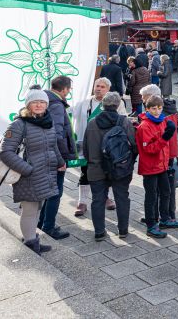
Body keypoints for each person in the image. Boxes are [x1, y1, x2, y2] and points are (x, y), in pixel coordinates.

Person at [0, 86, 64, 254]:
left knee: (37, 208)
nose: (39, 105)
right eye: (35, 102)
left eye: (42, 102)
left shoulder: (47, 121)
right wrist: (27, 170)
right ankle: (30, 244)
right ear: (28, 104)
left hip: (46, 173)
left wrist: (60, 161)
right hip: (28, 175)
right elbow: (5, 152)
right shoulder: (19, 124)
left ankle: (31, 237)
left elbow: (53, 145)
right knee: (29, 209)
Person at [82, 91, 136, 241]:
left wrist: (92, 161)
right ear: (118, 105)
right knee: (122, 198)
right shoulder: (124, 122)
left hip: (96, 168)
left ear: (103, 105)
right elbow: (134, 145)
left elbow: (86, 149)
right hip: (120, 168)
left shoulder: (92, 123)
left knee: (98, 200)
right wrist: (128, 162)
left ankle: (99, 231)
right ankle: (123, 230)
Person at [72, 77, 126, 217]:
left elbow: (123, 120)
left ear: (108, 89)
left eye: (102, 87)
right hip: (87, 144)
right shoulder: (84, 102)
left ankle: (107, 197)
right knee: (85, 172)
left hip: (107, 146)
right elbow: (70, 113)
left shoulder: (117, 103)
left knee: (106, 172)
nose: (99, 88)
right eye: (97, 86)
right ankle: (82, 202)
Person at [38, 76, 77, 241]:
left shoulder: (45, 100)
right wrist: (61, 160)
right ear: (65, 89)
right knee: (55, 192)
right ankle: (48, 226)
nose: (69, 92)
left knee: (51, 190)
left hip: (47, 154)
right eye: (69, 89)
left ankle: (41, 222)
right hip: (55, 156)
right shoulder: (56, 105)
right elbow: (57, 134)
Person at [136, 95, 178, 239]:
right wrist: (165, 137)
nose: (157, 111)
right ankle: (151, 224)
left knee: (166, 192)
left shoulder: (162, 120)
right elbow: (149, 149)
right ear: (147, 109)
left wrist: (172, 128)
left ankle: (164, 219)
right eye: (153, 108)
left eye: (159, 108)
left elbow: (165, 147)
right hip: (150, 167)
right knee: (151, 196)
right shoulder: (144, 126)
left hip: (162, 165)